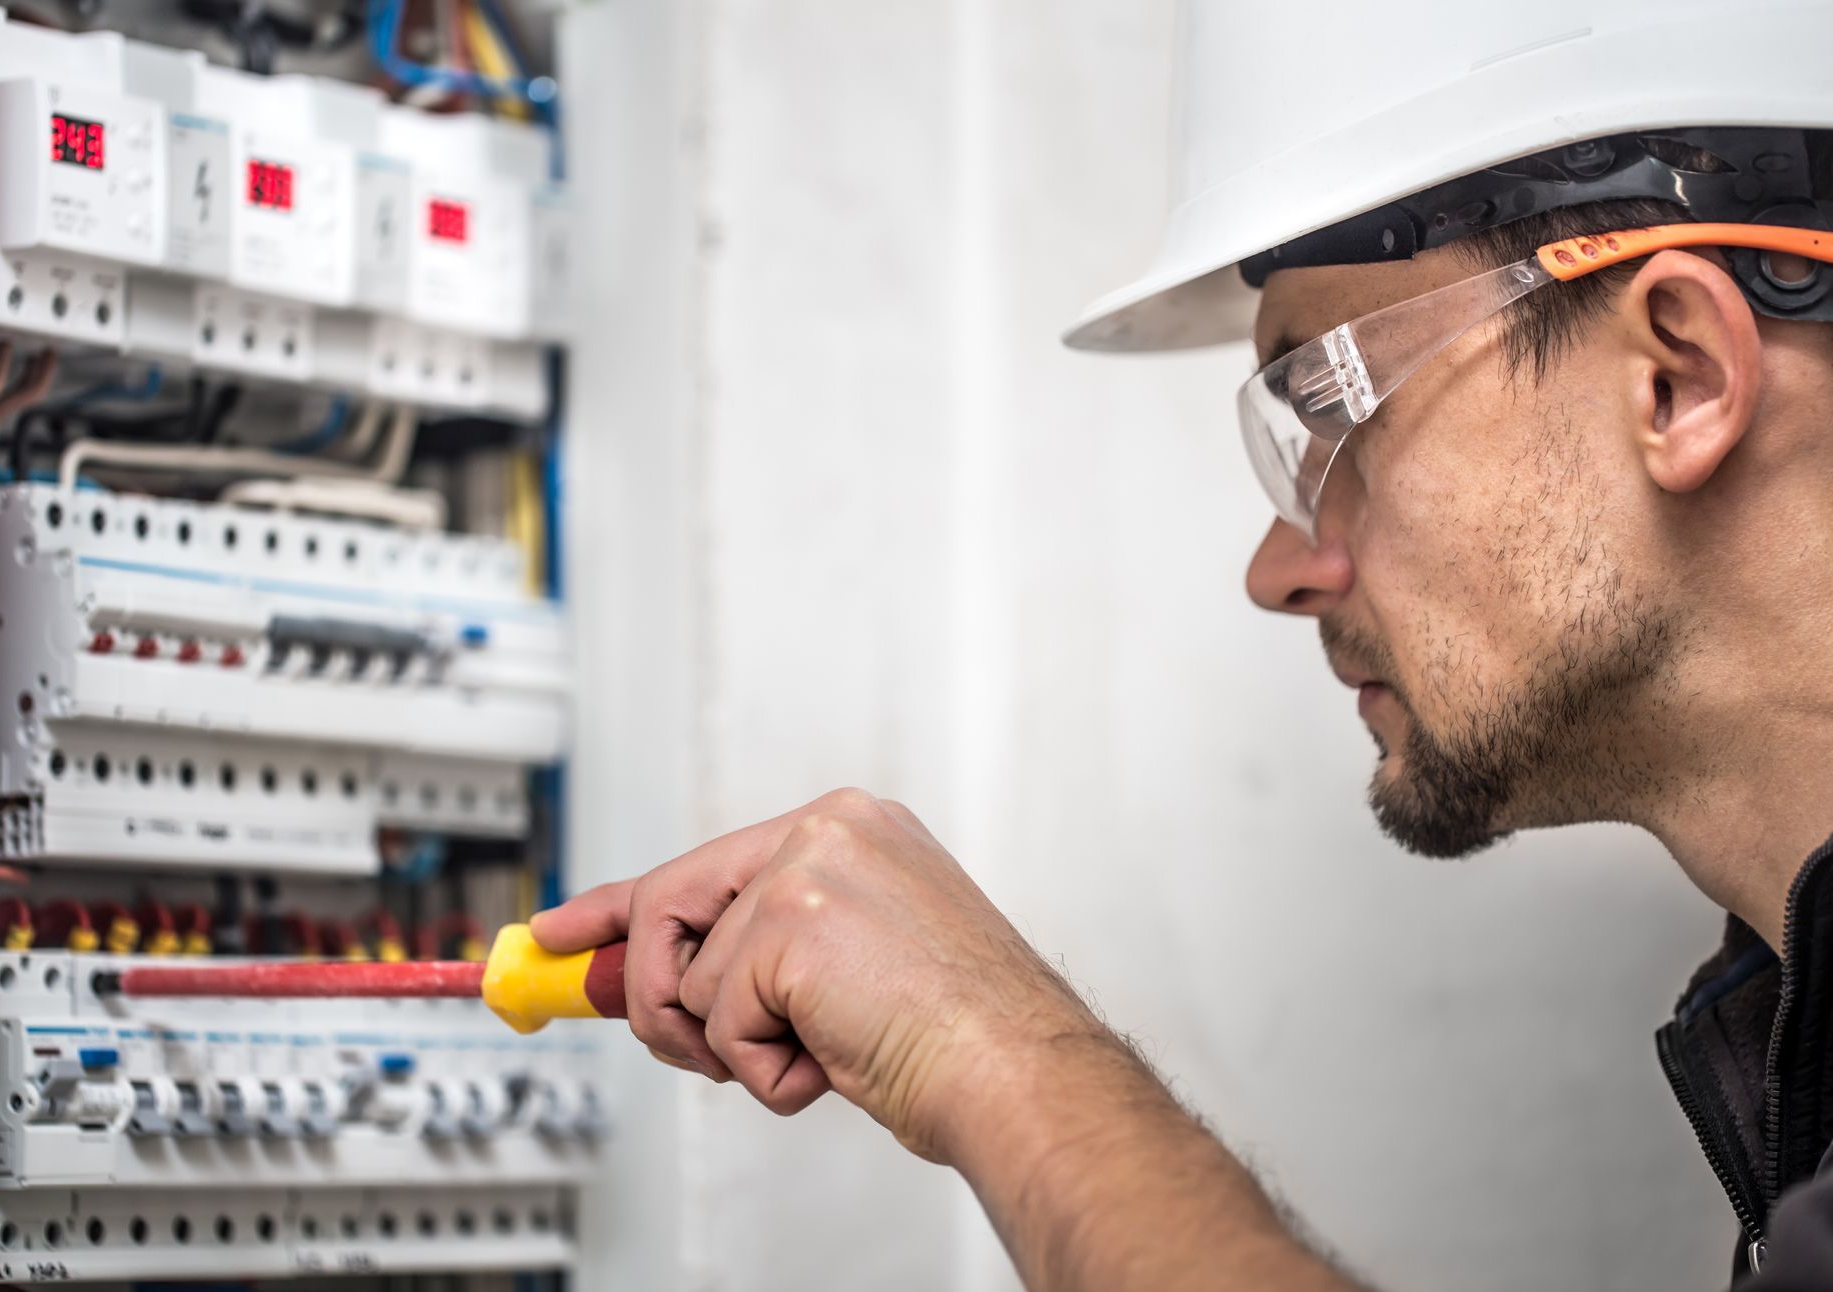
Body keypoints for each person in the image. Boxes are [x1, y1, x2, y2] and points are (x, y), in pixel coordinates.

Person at [531, 4, 1833, 1287]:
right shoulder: (1788, 1032)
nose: (1279, 571)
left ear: (1678, 375)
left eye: (1328, 409)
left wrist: (989, 1047)